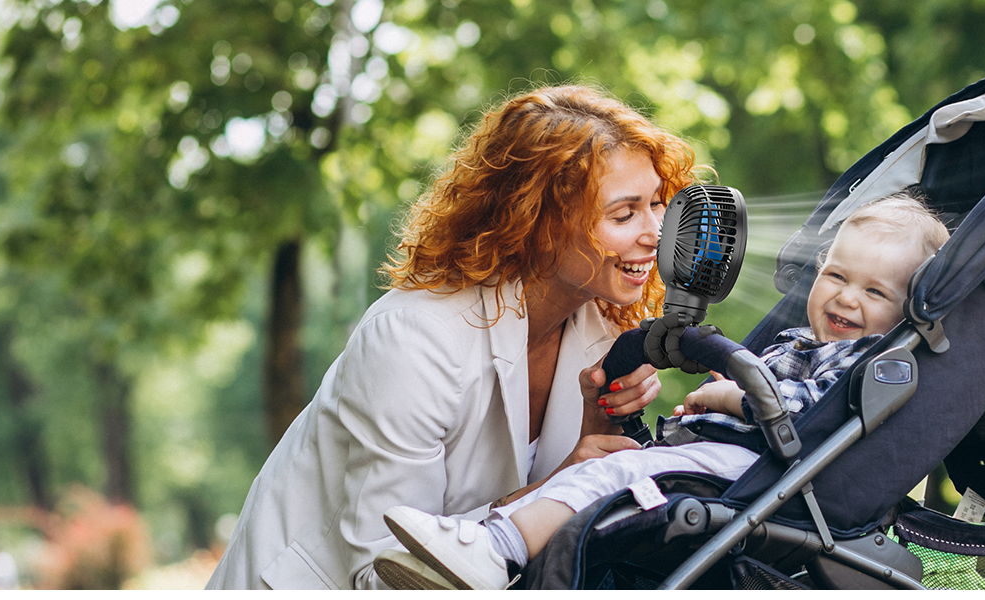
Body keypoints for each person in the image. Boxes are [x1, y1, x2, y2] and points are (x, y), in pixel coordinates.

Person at [206, 85, 701, 590]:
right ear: (538, 220)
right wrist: (562, 484)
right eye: (624, 214)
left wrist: (595, 430)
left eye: (659, 206)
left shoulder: (604, 327)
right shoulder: (414, 339)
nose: (657, 232)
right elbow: (387, 573)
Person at [374, 192, 951, 590]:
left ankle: (494, 550)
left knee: (607, 477)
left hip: (771, 474)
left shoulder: (870, 361)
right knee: (601, 472)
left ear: (906, 313)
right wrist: (708, 407)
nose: (847, 298)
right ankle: (479, 546)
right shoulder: (800, 339)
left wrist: (728, 400)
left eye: (875, 292)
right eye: (836, 276)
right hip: (734, 459)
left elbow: (796, 414)